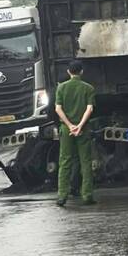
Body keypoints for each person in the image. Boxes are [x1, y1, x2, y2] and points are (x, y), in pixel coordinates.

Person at [54, 60, 96, 206]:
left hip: (66, 129)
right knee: (86, 161)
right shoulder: (88, 88)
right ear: (81, 71)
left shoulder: (61, 88)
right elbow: (90, 109)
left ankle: (62, 196)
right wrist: (79, 126)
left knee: (65, 161)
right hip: (83, 129)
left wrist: (70, 125)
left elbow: (58, 109)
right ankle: (87, 195)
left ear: (68, 72)